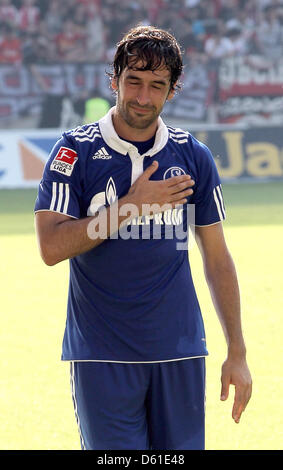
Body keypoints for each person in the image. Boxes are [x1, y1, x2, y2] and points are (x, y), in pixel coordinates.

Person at [34, 25, 252, 450]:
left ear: (172, 91)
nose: (142, 96)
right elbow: (51, 248)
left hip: (181, 349)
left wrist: (238, 352)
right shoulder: (73, 153)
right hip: (102, 353)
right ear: (114, 79)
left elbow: (217, 258)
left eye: (157, 85)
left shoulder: (193, 155)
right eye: (133, 80)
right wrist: (131, 207)